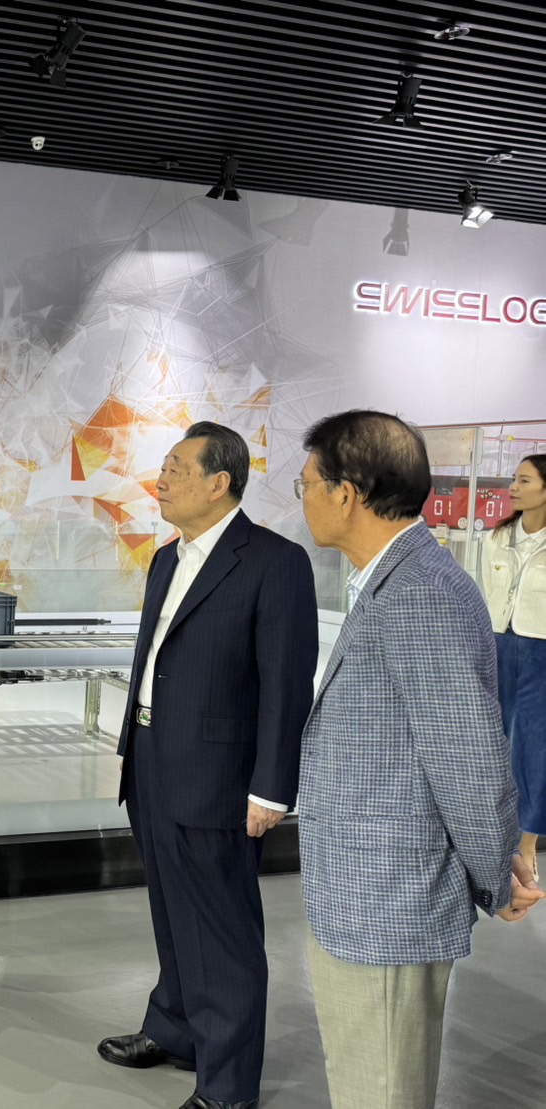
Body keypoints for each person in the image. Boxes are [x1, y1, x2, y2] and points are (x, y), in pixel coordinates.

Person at [294, 410, 544, 1109]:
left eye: (306, 483)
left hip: (388, 901)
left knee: (380, 1090)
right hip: (366, 892)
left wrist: (496, 874)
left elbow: (467, 758)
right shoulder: (396, 579)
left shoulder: (416, 594)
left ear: (346, 492)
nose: (303, 497)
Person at [97, 421, 318, 1109]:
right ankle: (175, 1029)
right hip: (151, 759)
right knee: (171, 910)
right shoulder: (168, 558)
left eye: (174, 468)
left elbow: (286, 683)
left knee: (221, 931)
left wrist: (271, 787)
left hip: (218, 777)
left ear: (218, 482)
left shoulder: (274, 562)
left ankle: (227, 1087)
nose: (159, 480)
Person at [484, 454, 546, 880]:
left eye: (524, 480)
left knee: (534, 745)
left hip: (541, 650)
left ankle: (528, 840)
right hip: (498, 645)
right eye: (514, 479)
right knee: (493, 740)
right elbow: (485, 592)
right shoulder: (498, 536)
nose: (513, 488)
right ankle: (492, 831)